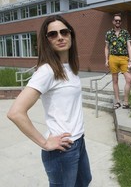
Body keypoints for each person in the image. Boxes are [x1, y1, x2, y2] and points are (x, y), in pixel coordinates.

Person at [7, 15, 92, 186]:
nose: (60, 37)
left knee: (84, 181)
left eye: (64, 32)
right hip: (62, 150)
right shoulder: (47, 71)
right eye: (53, 34)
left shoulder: (71, 68)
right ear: (46, 41)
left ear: (71, 35)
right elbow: (15, 113)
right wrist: (45, 143)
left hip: (78, 141)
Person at [105, 13, 131, 109]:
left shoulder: (125, 33)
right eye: (116, 20)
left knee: (129, 79)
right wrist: (106, 59)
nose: (118, 22)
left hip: (124, 58)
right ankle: (117, 101)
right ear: (113, 21)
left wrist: (130, 60)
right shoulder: (108, 33)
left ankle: (126, 102)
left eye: (119, 20)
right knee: (115, 80)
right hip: (113, 58)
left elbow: (129, 47)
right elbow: (106, 48)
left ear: (121, 22)